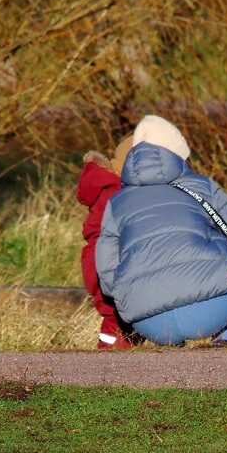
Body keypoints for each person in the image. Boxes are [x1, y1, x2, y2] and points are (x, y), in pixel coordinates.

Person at [95, 114, 227, 348]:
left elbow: (107, 276)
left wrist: (139, 296)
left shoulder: (116, 203)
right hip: (209, 312)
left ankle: (176, 355)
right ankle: (225, 342)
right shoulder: (201, 186)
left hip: (148, 323)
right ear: (179, 156)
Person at [76, 135, 141, 349]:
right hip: (108, 260)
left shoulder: (104, 184)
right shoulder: (118, 191)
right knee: (118, 318)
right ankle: (109, 359)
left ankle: (110, 355)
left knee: (117, 318)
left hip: (94, 257)